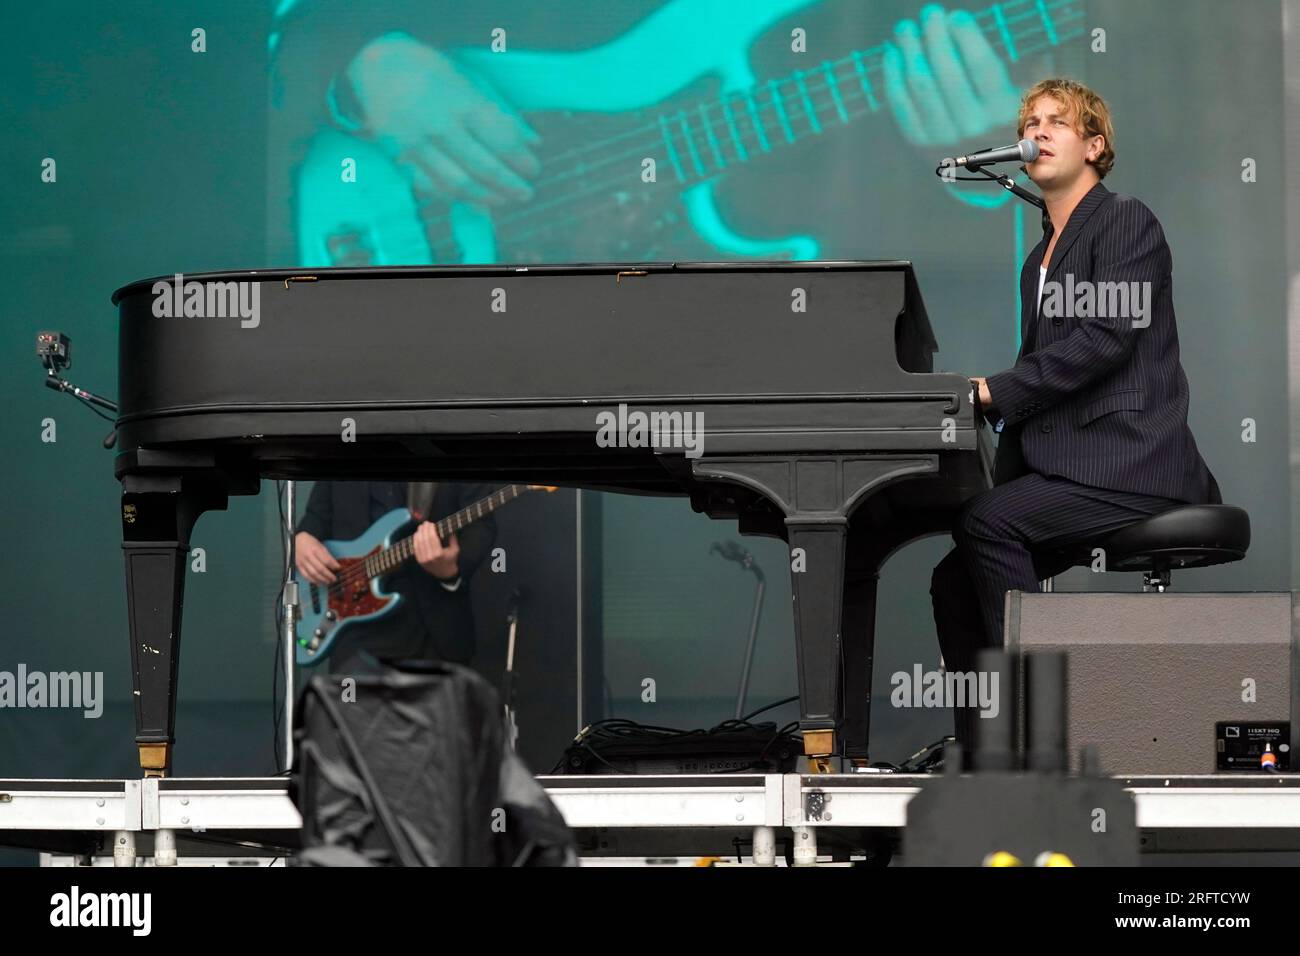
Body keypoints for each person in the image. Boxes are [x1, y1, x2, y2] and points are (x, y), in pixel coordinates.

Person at [932, 77, 1220, 751]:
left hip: (1131, 463)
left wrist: (991, 392)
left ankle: (1046, 732)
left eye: (1056, 121)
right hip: (1074, 468)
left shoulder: (1124, 220)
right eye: (1030, 121)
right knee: (954, 578)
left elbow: (1103, 339)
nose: (1036, 131)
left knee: (986, 524)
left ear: (1094, 146)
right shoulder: (1040, 258)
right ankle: (988, 749)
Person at [295, 480, 497, 673]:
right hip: (350, 630)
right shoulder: (340, 449)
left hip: (431, 631)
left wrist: (450, 570)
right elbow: (317, 515)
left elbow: (481, 525)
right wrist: (302, 539)